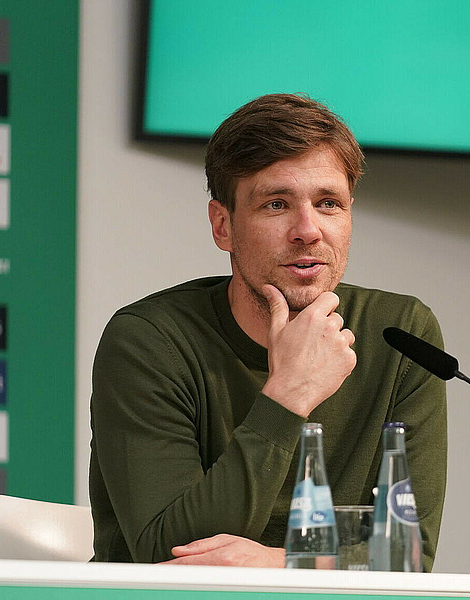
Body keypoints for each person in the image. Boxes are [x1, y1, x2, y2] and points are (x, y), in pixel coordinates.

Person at [89, 93, 447, 570]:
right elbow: (169, 555)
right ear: (223, 226)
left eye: (329, 204)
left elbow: (409, 555)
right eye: (277, 204)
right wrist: (287, 396)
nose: (308, 230)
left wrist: (281, 563)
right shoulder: (148, 341)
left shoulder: (402, 335)